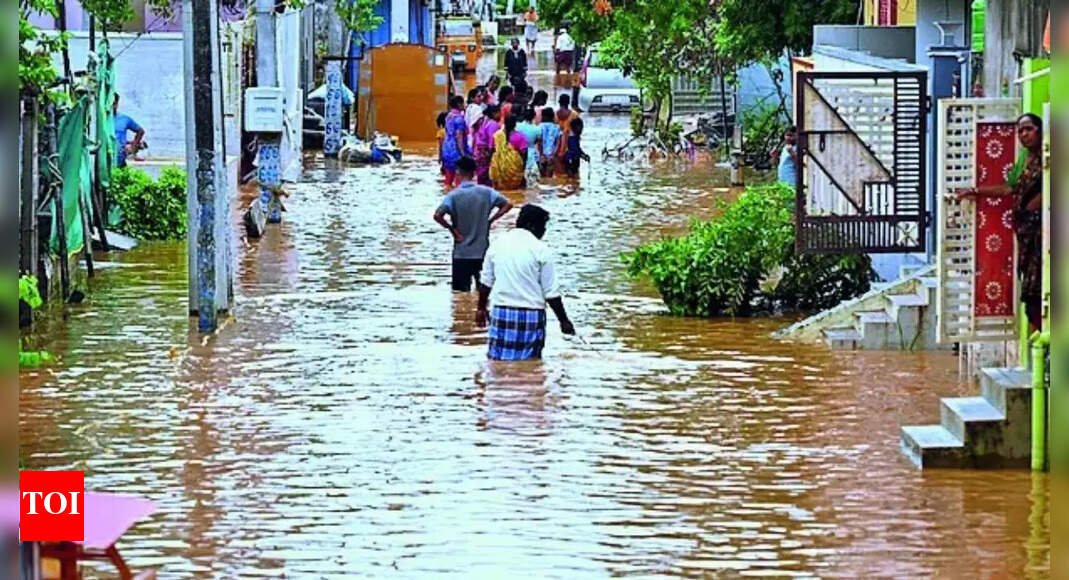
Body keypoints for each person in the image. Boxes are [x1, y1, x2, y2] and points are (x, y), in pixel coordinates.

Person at [956, 113, 1045, 331]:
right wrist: (975, 191)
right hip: (1025, 230)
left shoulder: (1049, 157)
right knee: (1029, 287)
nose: (1023, 134)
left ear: (1040, 130)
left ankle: (1043, 341)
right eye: (1020, 131)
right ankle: (1038, 342)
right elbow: (1008, 188)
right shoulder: (1024, 159)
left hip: (1042, 231)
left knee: (1039, 287)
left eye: (1029, 129)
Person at [476, 204, 576, 361]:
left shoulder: (497, 244)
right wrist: (564, 321)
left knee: (497, 362)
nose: (544, 231)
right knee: (529, 365)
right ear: (531, 225)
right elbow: (551, 293)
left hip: (501, 312)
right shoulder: (540, 249)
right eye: (543, 226)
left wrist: (481, 308)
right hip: (531, 315)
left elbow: (486, 282)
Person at [434, 156, 514, 292]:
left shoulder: (453, 196)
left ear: (458, 172)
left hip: (461, 254)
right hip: (482, 253)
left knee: (460, 295)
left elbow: (437, 215)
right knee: (483, 294)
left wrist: (453, 230)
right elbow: (507, 205)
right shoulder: (487, 192)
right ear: (474, 173)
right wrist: (491, 220)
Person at [490, 115, 529, 190]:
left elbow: (492, 151)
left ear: (504, 123)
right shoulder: (520, 136)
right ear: (515, 124)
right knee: (516, 191)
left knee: (500, 191)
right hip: (514, 169)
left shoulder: (497, 135)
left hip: (499, 169)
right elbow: (524, 154)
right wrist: (523, 168)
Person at [440, 96, 470, 188]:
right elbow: (459, 136)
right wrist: (462, 153)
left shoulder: (448, 116)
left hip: (446, 148)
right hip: (456, 150)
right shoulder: (459, 119)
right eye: (463, 103)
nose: (464, 105)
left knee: (448, 178)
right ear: (459, 104)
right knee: (459, 178)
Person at [113, 94, 145, 168]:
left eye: (115, 103)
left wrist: (133, 147)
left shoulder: (124, 119)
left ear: (117, 104)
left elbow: (140, 131)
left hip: (120, 158)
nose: (113, 106)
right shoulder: (102, 120)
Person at [473, 104, 501, 186]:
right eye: (499, 113)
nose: (500, 115)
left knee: (481, 175)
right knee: (487, 175)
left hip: (480, 152)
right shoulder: (493, 124)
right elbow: (492, 142)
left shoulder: (486, 122)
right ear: (494, 113)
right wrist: (492, 155)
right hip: (486, 153)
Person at [516, 108, 542, 186]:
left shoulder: (517, 126)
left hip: (518, 152)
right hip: (531, 153)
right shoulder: (537, 129)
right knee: (532, 182)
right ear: (534, 116)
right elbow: (538, 142)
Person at [538, 107, 563, 177]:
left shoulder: (539, 126)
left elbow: (539, 142)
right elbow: (558, 142)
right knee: (549, 176)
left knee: (542, 176)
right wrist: (554, 154)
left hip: (541, 154)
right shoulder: (557, 127)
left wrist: (541, 154)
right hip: (551, 154)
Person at [436, 111, 448, 177]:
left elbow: (441, 146)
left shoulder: (440, 132)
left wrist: (440, 157)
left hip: (445, 155)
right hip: (453, 153)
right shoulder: (452, 130)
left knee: (445, 173)